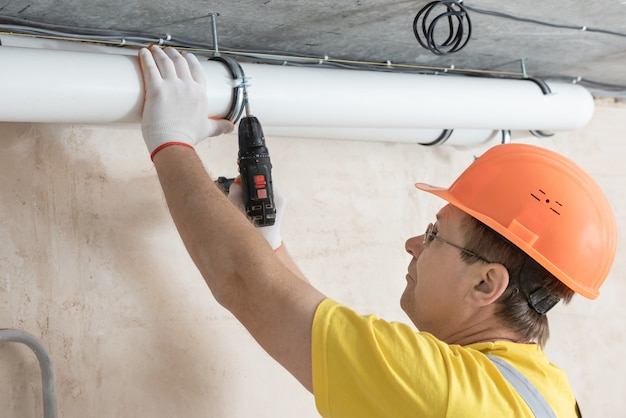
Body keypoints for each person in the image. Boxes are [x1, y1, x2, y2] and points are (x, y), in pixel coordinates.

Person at [137, 46, 617, 417]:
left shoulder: (441, 392)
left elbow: (244, 282)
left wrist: (171, 140)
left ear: (486, 283)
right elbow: (306, 319)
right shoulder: (541, 392)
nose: (413, 244)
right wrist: (269, 241)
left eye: (434, 234)